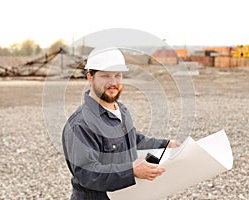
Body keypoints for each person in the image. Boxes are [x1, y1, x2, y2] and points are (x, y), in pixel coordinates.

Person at [62, 47, 180, 200]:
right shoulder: (80, 124)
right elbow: (87, 173)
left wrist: (166, 144)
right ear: (90, 77)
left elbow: (132, 140)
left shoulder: (121, 110)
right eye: (105, 76)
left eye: (118, 75)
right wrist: (131, 171)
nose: (113, 82)